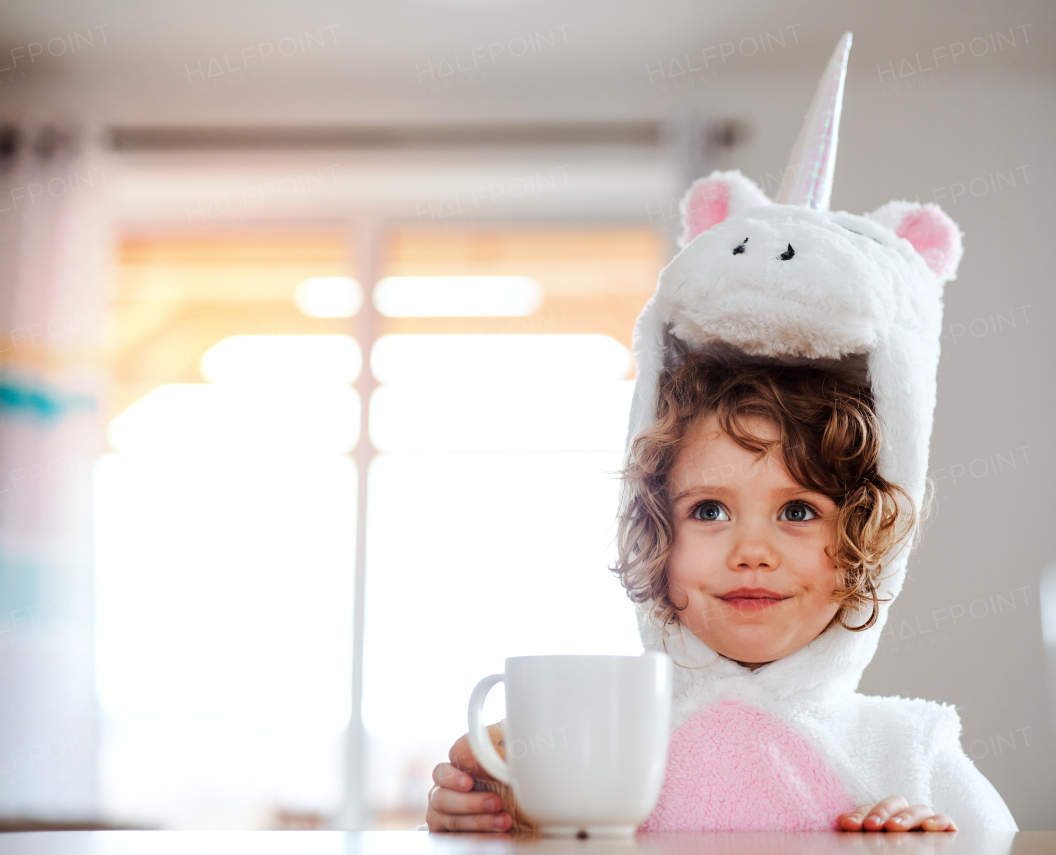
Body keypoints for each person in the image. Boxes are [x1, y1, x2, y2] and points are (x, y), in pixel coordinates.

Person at [425, 31, 1017, 834]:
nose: (751, 549)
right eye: (708, 509)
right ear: (655, 531)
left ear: (868, 541)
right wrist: (487, 809)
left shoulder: (905, 747)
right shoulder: (605, 744)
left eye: (799, 509)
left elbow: (996, 835)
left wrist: (925, 835)